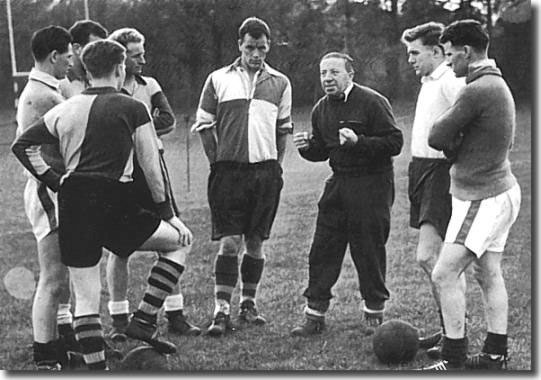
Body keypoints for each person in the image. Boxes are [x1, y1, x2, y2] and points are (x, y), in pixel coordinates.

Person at [12, 39, 193, 370]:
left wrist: (54, 180)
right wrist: (170, 216)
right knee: (179, 244)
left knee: (85, 297)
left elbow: (22, 145)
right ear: (120, 68)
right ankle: (145, 319)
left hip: (74, 205)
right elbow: (153, 172)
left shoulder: (65, 107)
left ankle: (96, 370)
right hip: (115, 202)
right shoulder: (132, 107)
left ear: (87, 71)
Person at [421, 19, 521, 371]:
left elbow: (436, 135)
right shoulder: (496, 83)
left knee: (444, 274)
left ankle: (453, 358)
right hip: (500, 191)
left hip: (483, 195)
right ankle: (495, 356)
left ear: (466, 52)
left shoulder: (477, 89)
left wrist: (455, 142)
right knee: (488, 272)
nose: (449, 63)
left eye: (450, 56)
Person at [192, 16, 292, 336]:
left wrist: (276, 165)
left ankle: (248, 304)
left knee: (255, 241)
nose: (256, 54)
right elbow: (205, 126)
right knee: (230, 241)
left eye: (261, 48)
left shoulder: (280, 82)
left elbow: (283, 130)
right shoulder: (218, 79)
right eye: (250, 47)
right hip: (228, 172)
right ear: (240, 45)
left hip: (264, 172)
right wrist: (217, 162)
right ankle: (221, 310)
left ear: (268, 47)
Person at [290, 52, 403, 337]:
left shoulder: (373, 101)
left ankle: (373, 314)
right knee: (322, 249)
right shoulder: (320, 109)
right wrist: (306, 147)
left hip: (372, 184)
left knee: (368, 250)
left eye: (334, 72)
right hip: (339, 183)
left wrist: (359, 141)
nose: (327, 78)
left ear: (350, 75)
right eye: (323, 73)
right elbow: (322, 151)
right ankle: (314, 315)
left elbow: (395, 142)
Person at [107, 27, 200, 339]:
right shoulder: (110, 90)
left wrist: (138, 126)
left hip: (153, 167)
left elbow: (169, 120)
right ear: (121, 58)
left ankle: (175, 313)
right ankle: (120, 319)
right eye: (136, 55)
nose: (143, 60)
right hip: (123, 171)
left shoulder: (150, 84)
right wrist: (142, 125)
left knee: (172, 235)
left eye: (143, 53)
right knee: (120, 249)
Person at [400, 22, 466, 357]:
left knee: (430, 257)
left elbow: (470, 118)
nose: (410, 59)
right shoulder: (429, 81)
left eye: (415, 52)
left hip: (440, 174)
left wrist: (456, 159)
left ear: (437, 51)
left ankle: (456, 334)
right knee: (434, 259)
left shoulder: (450, 80)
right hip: (421, 172)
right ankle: (448, 332)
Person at [15, 25, 74, 370]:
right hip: (46, 192)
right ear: (54, 56)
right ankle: (44, 353)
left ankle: (54, 345)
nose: (71, 61)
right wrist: (55, 181)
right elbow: (28, 150)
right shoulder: (42, 95)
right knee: (52, 278)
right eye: (68, 55)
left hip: (50, 191)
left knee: (58, 277)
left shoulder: (46, 88)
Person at [59, 19, 108, 98]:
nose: (101, 55)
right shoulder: (59, 83)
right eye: (95, 49)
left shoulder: (94, 80)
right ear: (77, 49)